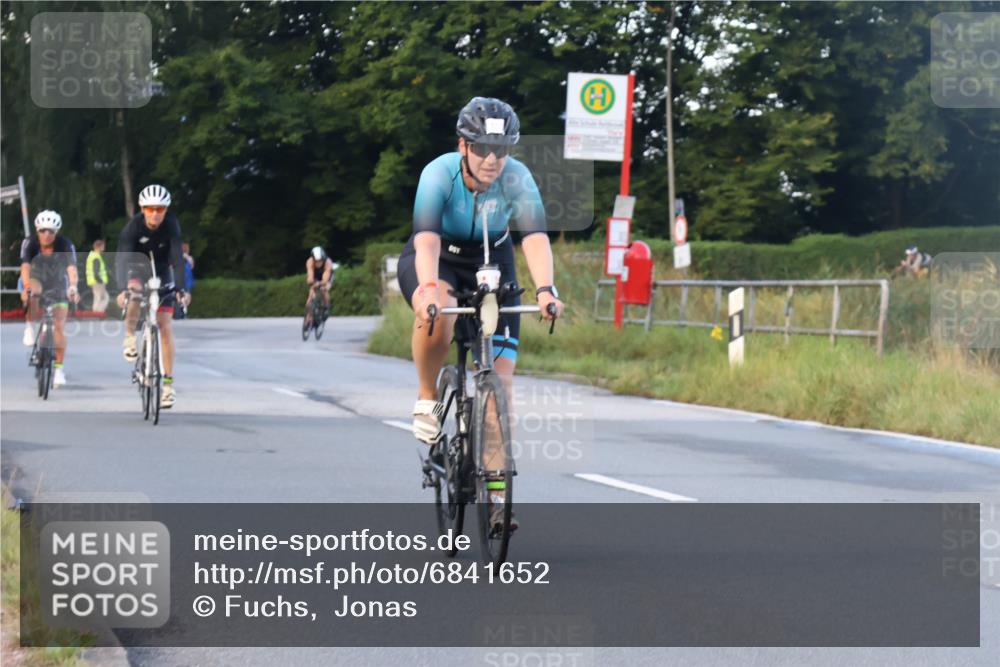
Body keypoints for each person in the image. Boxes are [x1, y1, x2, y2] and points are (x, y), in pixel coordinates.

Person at [396, 96, 564, 530]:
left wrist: (546, 290)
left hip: (494, 258)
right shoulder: (438, 174)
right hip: (440, 257)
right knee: (440, 315)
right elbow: (427, 241)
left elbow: (534, 238)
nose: (492, 159)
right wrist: (430, 289)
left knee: (500, 384)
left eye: (502, 150)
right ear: (463, 146)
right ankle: (428, 396)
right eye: (482, 148)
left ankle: (496, 498)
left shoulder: (518, 178)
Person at [115, 184, 189, 408]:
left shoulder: (171, 225)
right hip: (136, 268)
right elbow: (122, 258)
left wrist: (180, 290)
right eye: (150, 209)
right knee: (135, 294)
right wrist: (122, 289)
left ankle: (167, 385)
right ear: (142, 209)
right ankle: (130, 336)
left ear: (166, 210)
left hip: (162, 269)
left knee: (165, 326)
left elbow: (177, 259)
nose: (155, 213)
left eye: (160, 209)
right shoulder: (133, 227)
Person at [19, 210, 81, 388]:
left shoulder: (65, 244)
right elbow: (25, 268)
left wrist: (73, 286)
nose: (47, 235)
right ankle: (29, 327)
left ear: (57, 232)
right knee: (33, 292)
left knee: (59, 327)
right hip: (36, 278)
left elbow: (71, 270)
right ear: (37, 230)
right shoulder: (29, 243)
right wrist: (26, 287)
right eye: (43, 230)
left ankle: (59, 370)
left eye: (51, 231)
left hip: (57, 282)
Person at [305, 246, 335, 321]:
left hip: (327, 276)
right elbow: (310, 274)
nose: (319, 263)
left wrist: (322, 283)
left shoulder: (328, 262)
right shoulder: (309, 262)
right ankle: (309, 312)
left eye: (321, 260)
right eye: (316, 261)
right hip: (316, 275)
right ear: (313, 259)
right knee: (311, 291)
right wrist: (310, 280)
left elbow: (326, 278)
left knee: (324, 289)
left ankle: (326, 307)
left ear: (324, 258)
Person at [86, 239, 110, 313]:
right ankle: (98, 312)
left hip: (93, 281)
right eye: (103, 246)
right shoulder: (96, 257)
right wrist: (100, 280)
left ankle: (96, 313)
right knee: (104, 298)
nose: (104, 248)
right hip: (98, 281)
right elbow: (96, 270)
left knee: (97, 298)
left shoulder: (92, 256)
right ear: (98, 247)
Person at [174, 242, 195, 320]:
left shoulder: (182, 257)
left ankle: (181, 312)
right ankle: (181, 312)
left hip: (183, 279)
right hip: (185, 279)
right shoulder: (186, 257)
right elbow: (192, 266)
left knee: (182, 296)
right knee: (184, 296)